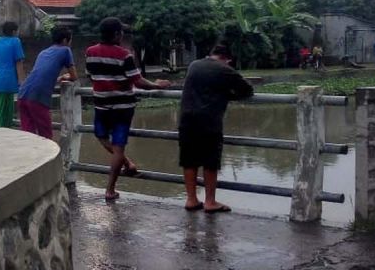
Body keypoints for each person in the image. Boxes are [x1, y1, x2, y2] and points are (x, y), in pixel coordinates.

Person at [86, 18, 171, 201]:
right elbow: (138, 81)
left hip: (101, 104)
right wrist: (157, 85)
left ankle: (127, 164)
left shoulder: (90, 52)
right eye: (121, 32)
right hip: (122, 108)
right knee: (118, 147)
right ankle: (111, 188)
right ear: (117, 34)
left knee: (101, 136)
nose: (123, 35)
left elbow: (91, 76)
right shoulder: (124, 55)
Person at [179, 43, 254, 213]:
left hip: (187, 119)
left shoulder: (194, 65)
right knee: (210, 161)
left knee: (189, 160)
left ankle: (191, 199)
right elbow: (247, 91)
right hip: (209, 122)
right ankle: (210, 201)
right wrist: (228, 94)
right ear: (226, 59)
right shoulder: (225, 70)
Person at [17, 27, 77, 139]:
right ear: (65, 40)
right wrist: (65, 76)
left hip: (23, 94)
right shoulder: (65, 50)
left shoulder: (43, 52)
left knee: (28, 137)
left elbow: (40, 72)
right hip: (37, 97)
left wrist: (59, 77)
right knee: (46, 137)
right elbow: (74, 76)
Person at [0, 21, 25, 128]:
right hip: (6, 81)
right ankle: (3, 136)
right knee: (5, 113)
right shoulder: (15, 41)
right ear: (13, 31)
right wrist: (21, 80)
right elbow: (19, 62)